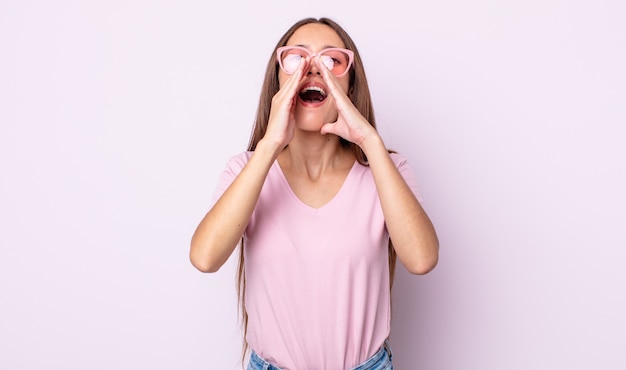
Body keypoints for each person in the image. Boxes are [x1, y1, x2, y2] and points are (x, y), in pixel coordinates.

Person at [190, 17, 439, 370]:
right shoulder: (245, 170)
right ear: (277, 82)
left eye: (331, 60)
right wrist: (269, 145)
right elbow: (204, 257)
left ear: (350, 87)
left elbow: (422, 259)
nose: (312, 69)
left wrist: (370, 141)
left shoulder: (386, 171)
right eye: (296, 59)